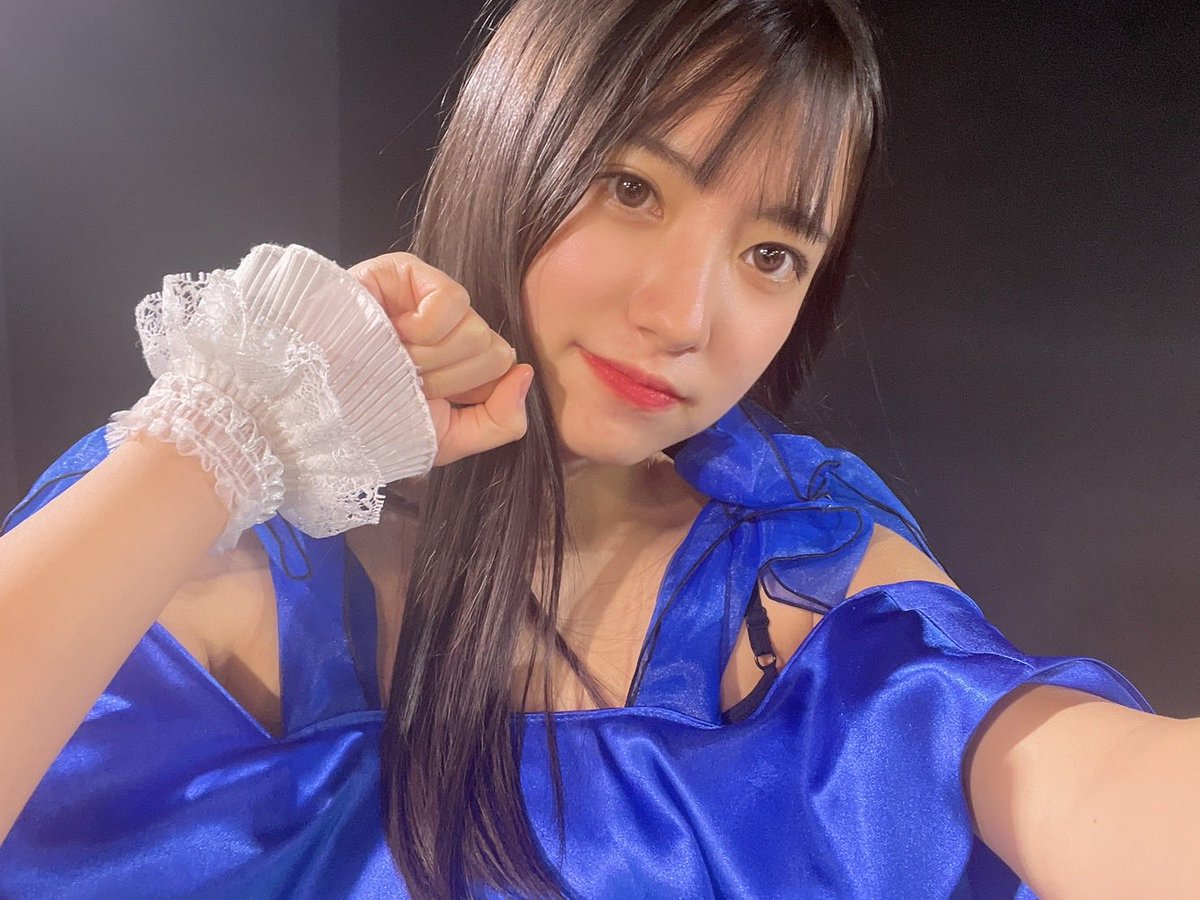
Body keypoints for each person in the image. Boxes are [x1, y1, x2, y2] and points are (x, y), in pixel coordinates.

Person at [0, 0, 1195, 897]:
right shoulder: (236, 536)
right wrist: (237, 427)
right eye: (631, 188)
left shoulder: (798, 572)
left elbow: (1071, 771)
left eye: (770, 256)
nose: (683, 316)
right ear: (511, 142)